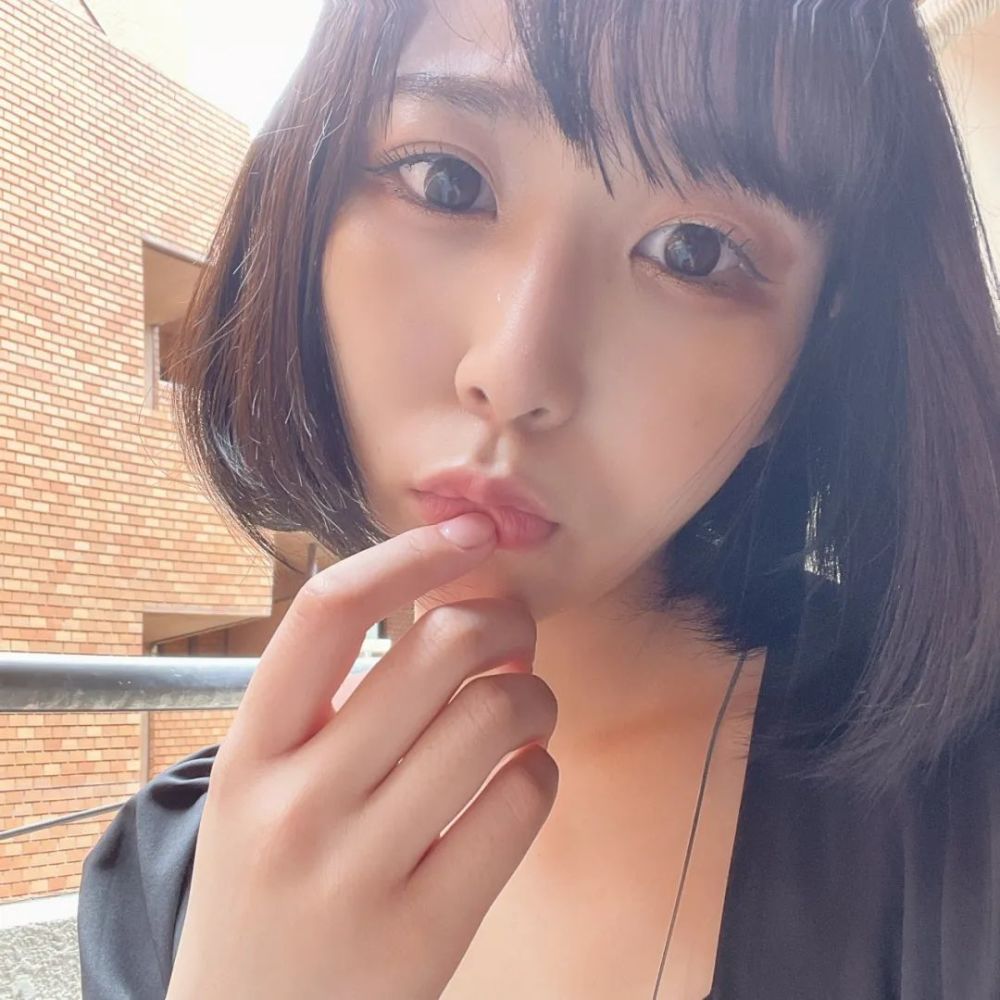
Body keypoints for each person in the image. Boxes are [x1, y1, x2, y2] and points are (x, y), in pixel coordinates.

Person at [77, 0, 1000, 997]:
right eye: (447, 181)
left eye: (693, 251)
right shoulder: (169, 881)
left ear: (810, 351)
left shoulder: (957, 818)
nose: (515, 372)